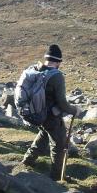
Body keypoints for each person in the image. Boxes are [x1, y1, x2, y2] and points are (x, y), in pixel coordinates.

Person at [21, 45, 79, 180]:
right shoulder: (56, 76)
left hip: (36, 114)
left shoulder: (35, 70)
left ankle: (28, 160)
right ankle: (57, 177)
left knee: (44, 134)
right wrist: (74, 110)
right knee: (59, 145)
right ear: (58, 62)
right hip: (51, 117)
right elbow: (62, 103)